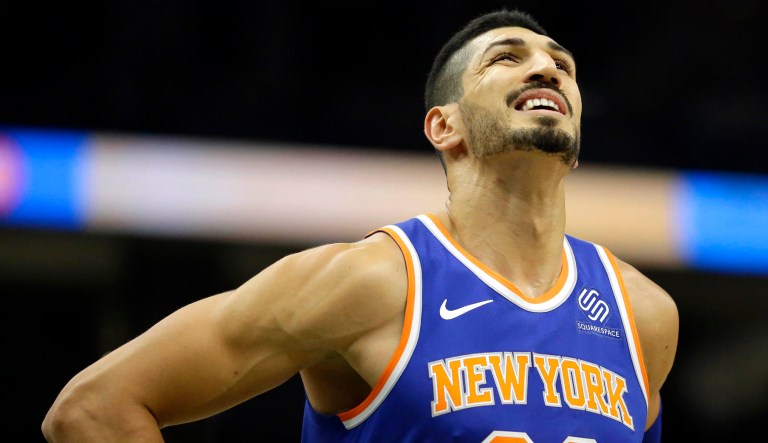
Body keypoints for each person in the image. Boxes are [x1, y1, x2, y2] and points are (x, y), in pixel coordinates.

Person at [42, 8, 679, 443]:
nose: (547, 69)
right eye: (505, 59)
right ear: (443, 126)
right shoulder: (370, 283)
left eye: (562, 65)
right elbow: (94, 408)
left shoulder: (644, 316)